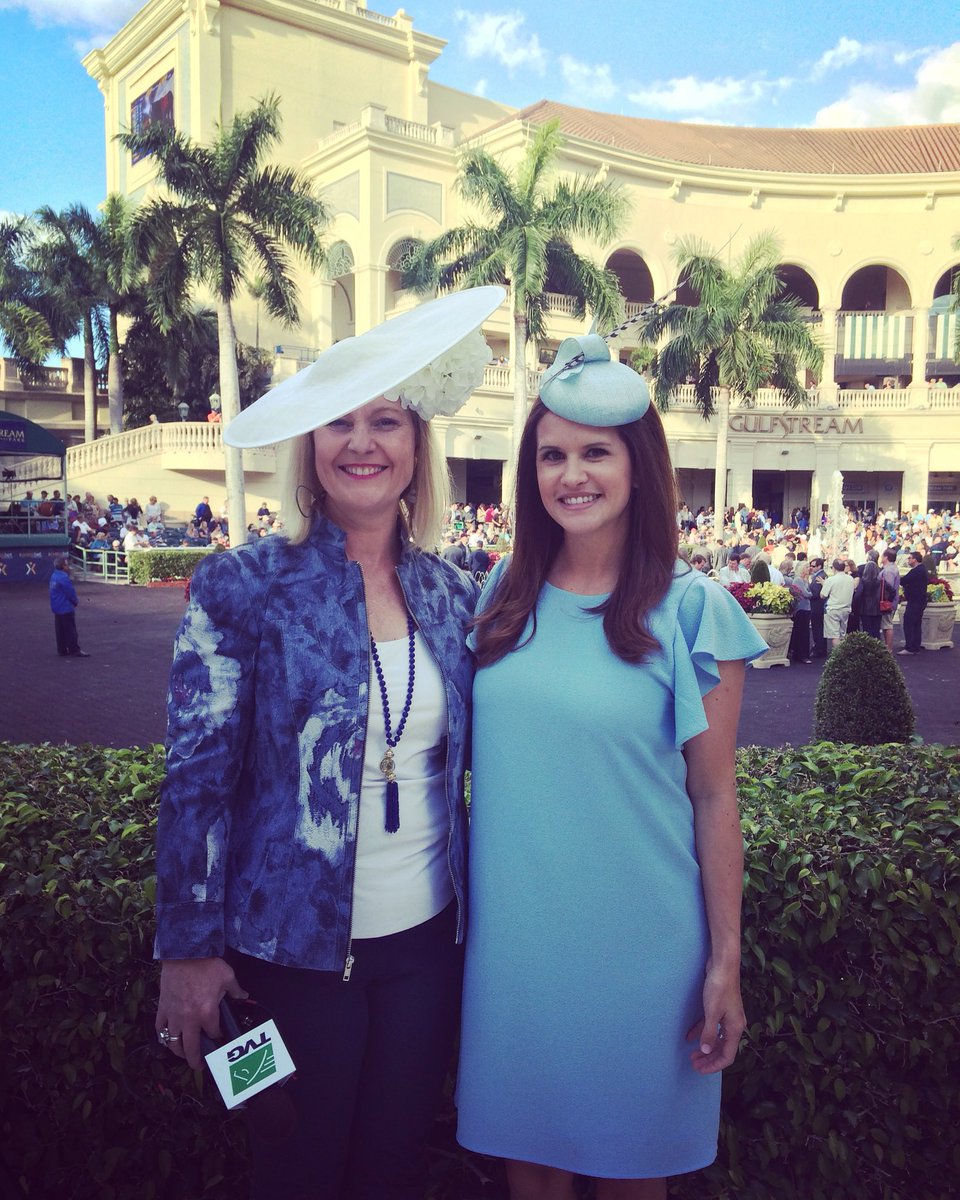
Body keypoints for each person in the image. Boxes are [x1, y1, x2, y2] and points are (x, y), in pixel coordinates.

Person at [152, 286, 504, 1200]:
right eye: (340, 422)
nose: (363, 441)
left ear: (415, 448)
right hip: (282, 960)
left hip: (425, 952)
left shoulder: (451, 595)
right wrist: (186, 955)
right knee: (289, 1171)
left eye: (386, 420)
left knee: (390, 1170)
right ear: (310, 449)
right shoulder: (242, 586)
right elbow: (193, 780)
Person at [456, 333, 767, 1199]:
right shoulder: (500, 595)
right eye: (552, 454)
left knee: (634, 1177)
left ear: (640, 467)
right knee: (534, 1175)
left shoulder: (693, 609)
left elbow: (713, 799)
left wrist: (724, 963)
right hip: (516, 952)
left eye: (596, 451)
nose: (572, 474)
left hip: (644, 954)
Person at [49, 556, 90, 657]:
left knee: (60, 630)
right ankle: (74, 650)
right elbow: (70, 592)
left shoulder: (54, 576)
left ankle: (62, 650)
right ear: (63, 566)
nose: (68, 566)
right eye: (66, 564)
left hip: (57, 607)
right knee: (70, 630)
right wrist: (75, 601)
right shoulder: (63, 577)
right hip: (65, 607)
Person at [820, 558, 856, 649]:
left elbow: (823, 595)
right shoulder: (850, 579)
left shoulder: (831, 580)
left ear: (834, 568)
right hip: (846, 609)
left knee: (835, 636)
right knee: (842, 635)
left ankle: (837, 657)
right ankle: (843, 656)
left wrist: (824, 584)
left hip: (833, 609)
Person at [898, 551, 928, 655]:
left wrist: (906, 586)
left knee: (909, 623)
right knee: (916, 624)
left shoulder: (917, 570)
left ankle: (910, 647)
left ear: (915, 559)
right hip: (919, 601)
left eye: (909, 558)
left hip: (915, 601)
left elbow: (904, 580)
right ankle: (915, 646)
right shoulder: (921, 569)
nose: (908, 560)